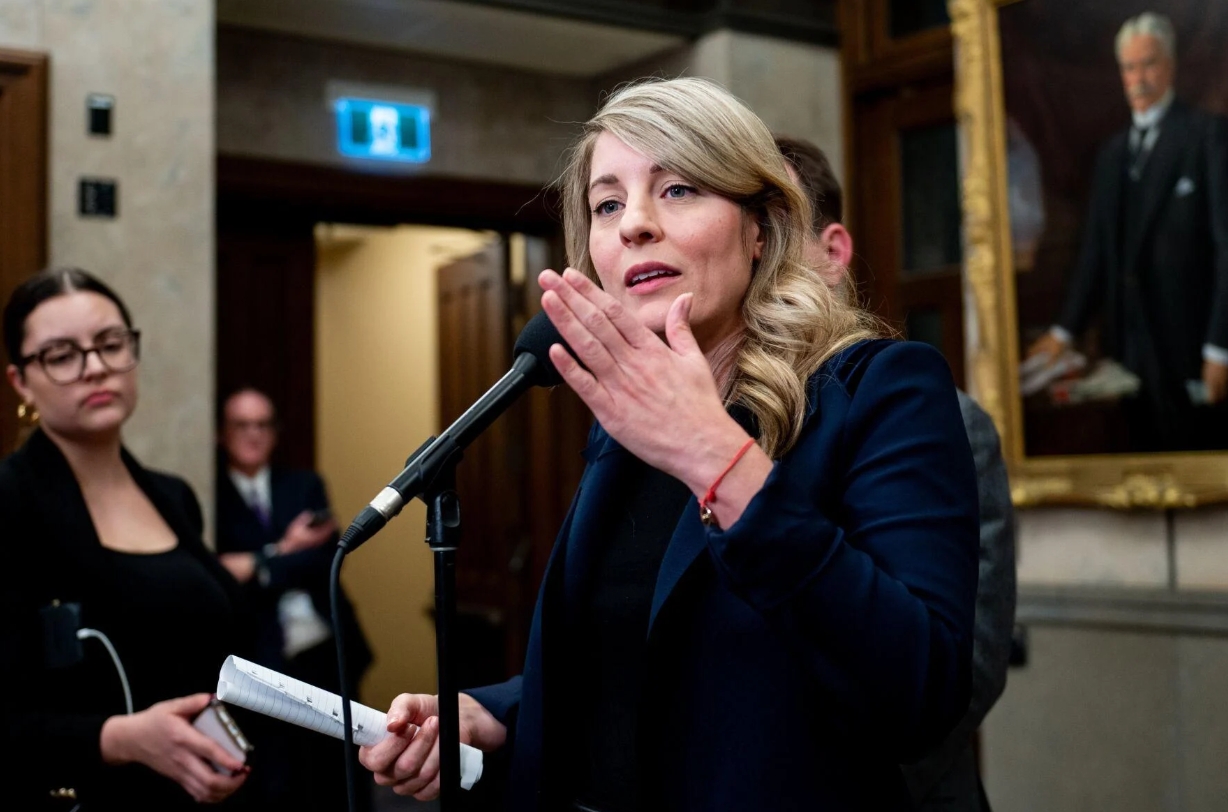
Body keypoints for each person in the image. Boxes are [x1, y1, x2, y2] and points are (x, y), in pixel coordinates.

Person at [360, 77, 980, 811]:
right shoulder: (623, 425)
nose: (633, 225)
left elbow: (920, 694)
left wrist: (715, 457)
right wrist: (493, 713)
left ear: (762, 227)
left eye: (678, 189)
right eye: (607, 204)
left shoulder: (881, 389)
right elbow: (648, 661)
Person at [778, 134, 1018, 812]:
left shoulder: (945, 419)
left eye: (778, 231)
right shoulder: (716, 418)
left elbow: (967, 671)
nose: (758, 257)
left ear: (834, 252)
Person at [0, 267, 250, 810]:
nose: (95, 368)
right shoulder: (11, 502)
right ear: (21, 381)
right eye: (62, 355)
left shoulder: (173, 496)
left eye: (111, 345)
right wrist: (119, 738)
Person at [1026, 11, 1228, 451]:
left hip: (1191, 346)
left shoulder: (1206, 136)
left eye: (1148, 64)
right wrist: (1064, 332)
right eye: (1129, 67)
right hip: (1128, 351)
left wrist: (1220, 348)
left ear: (1170, 65)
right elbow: (1095, 253)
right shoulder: (1113, 155)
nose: (1138, 78)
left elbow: (1226, 248)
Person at [215, 387, 372, 811]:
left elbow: (324, 561)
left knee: (340, 774)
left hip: (325, 649)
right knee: (277, 780)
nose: (253, 434)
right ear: (222, 433)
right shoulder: (211, 496)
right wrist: (285, 549)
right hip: (259, 654)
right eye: (242, 425)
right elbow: (218, 577)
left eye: (263, 425)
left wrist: (256, 565)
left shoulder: (303, 485)